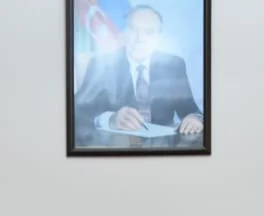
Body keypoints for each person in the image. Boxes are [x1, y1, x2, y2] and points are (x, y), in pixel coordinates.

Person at [73, 5, 204, 137]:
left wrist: (194, 119)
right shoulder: (101, 65)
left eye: (149, 32)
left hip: (162, 145)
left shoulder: (174, 65)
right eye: (133, 29)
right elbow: (77, 112)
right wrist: (109, 119)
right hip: (115, 145)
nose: (140, 38)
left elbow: (190, 109)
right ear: (125, 32)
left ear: (158, 36)